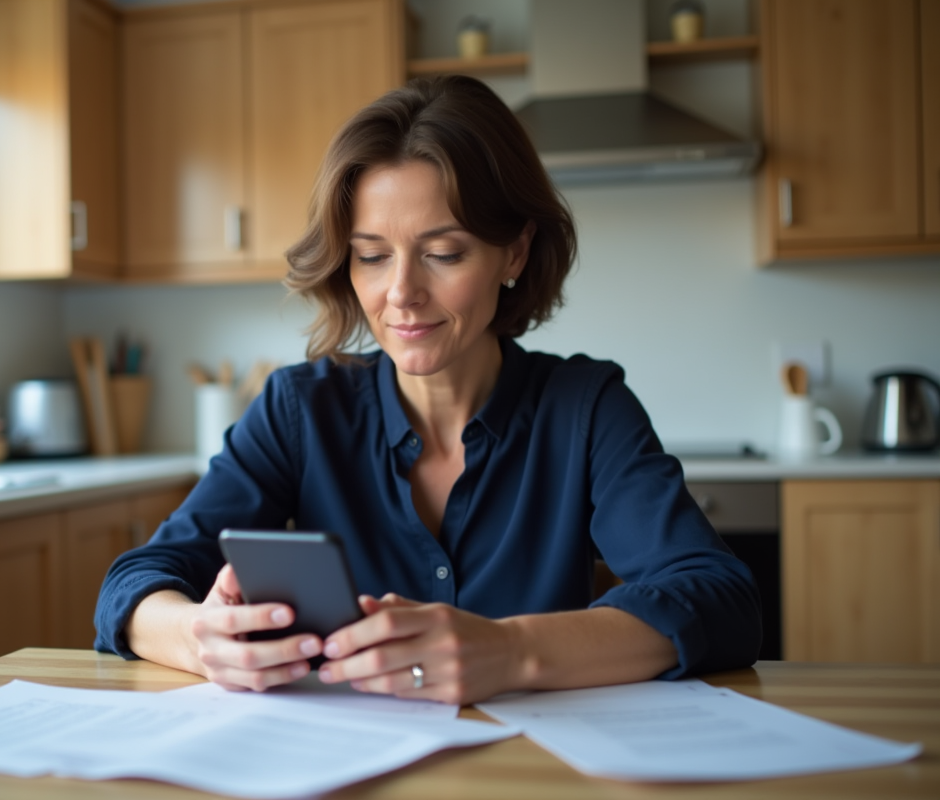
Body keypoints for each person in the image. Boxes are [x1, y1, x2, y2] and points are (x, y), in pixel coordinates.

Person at [95, 75, 761, 706]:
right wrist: (197, 638)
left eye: (444, 253)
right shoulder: (300, 409)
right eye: (372, 255)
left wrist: (510, 651)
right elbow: (134, 584)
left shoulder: (585, 408)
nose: (402, 293)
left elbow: (721, 600)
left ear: (516, 253)